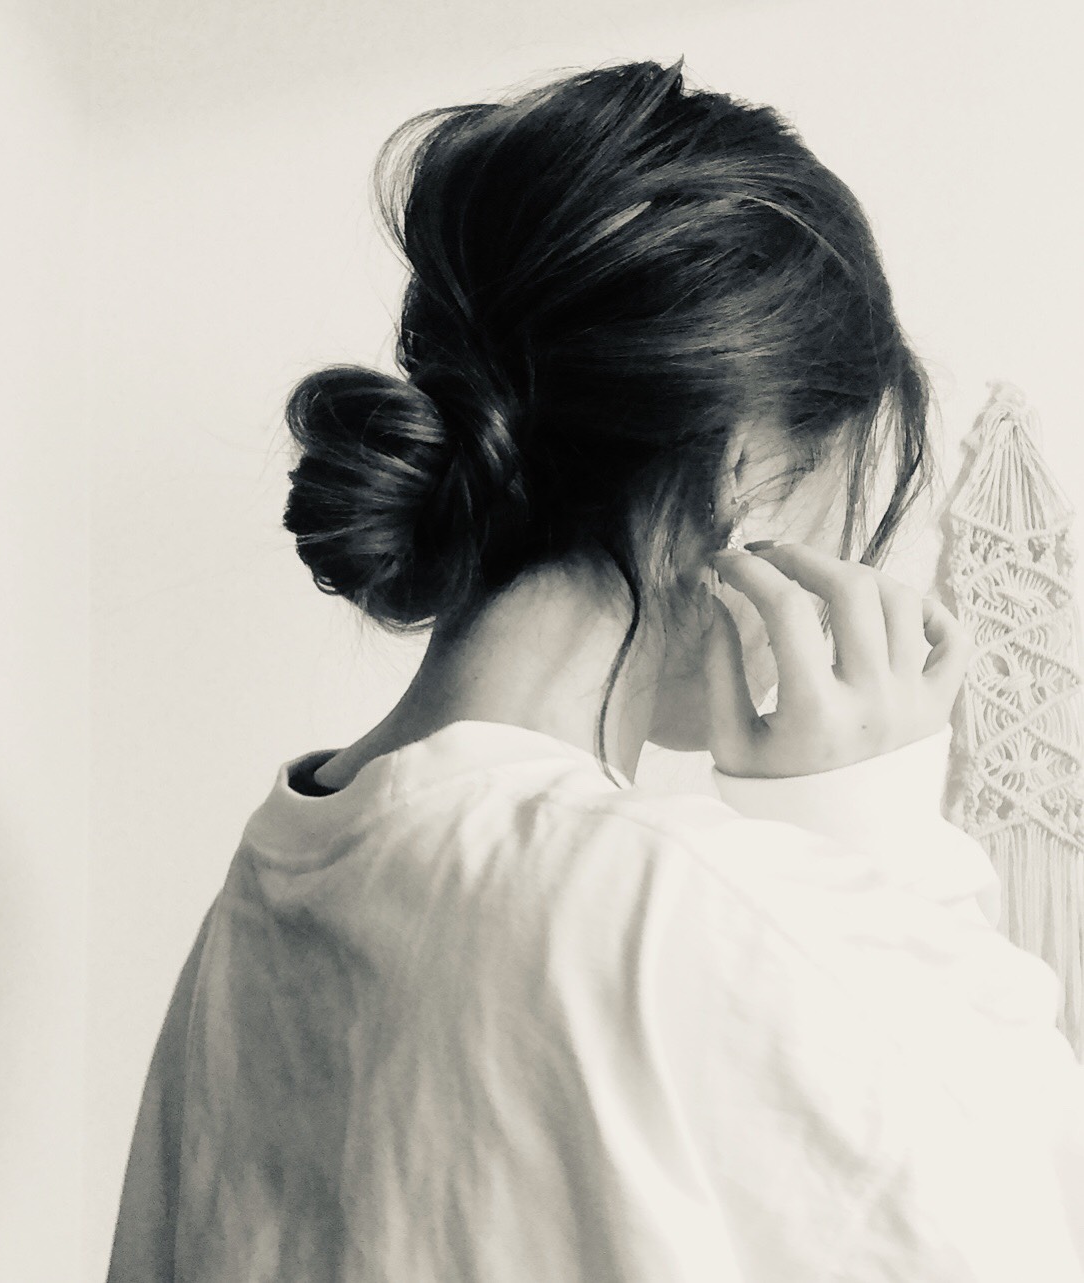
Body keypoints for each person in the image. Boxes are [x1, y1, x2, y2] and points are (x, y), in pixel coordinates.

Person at [106, 58, 1084, 1281]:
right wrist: (870, 837)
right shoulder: (673, 906)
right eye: (850, 488)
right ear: (744, 474)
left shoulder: (263, 892)